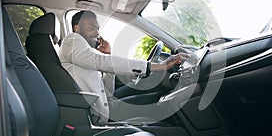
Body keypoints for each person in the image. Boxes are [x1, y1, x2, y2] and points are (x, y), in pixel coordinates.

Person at [58, 10, 188, 123]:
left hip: (105, 108)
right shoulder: (72, 40)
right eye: (91, 28)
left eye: (97, 28)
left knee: (155, 98)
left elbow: (108, 92)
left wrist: (108, 57)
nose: (97, 32)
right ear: (76, 28)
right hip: (97, 114)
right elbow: (102, 61)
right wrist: (159, 66)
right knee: (158, 103)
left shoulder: (84, 54)